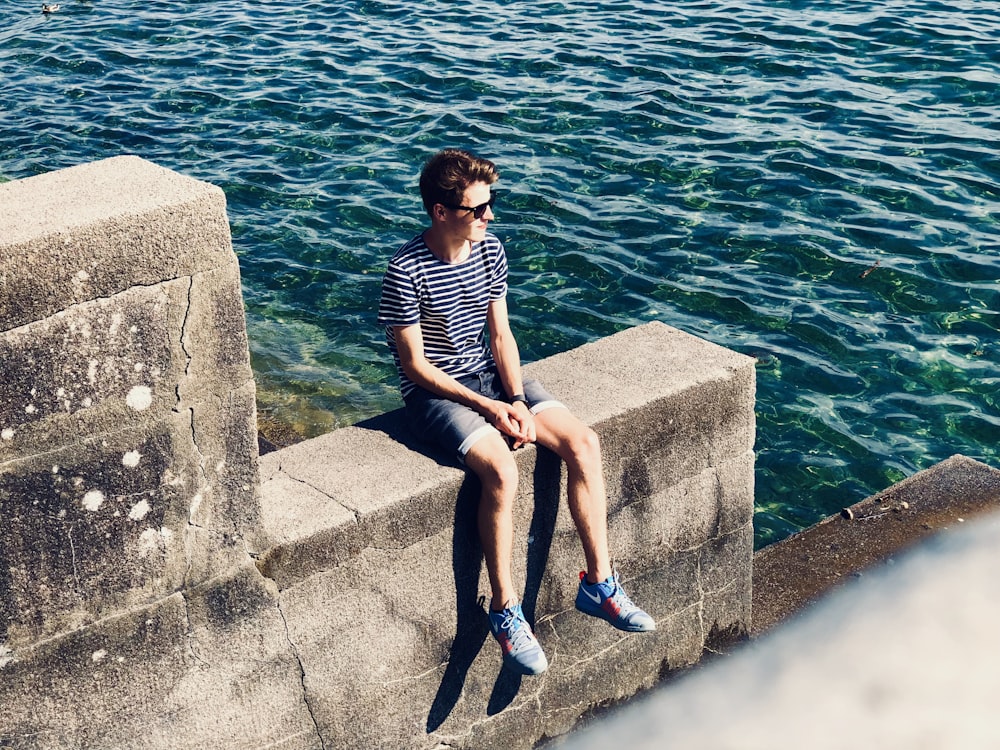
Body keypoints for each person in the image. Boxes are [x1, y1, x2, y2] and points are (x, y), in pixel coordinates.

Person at [377, 148, 654, 676]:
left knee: (584, 443)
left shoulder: (490, 251)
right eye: (477, 209)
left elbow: (500, 335)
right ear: (441, 212)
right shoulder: (404, 269)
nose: (489, 216)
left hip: (491, 377)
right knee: (502, 471)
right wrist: (488, 407)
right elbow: (414, 367)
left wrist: (518, 401)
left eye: (490, 205)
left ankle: (599, 584)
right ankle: (505, 612)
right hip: (436, 397)